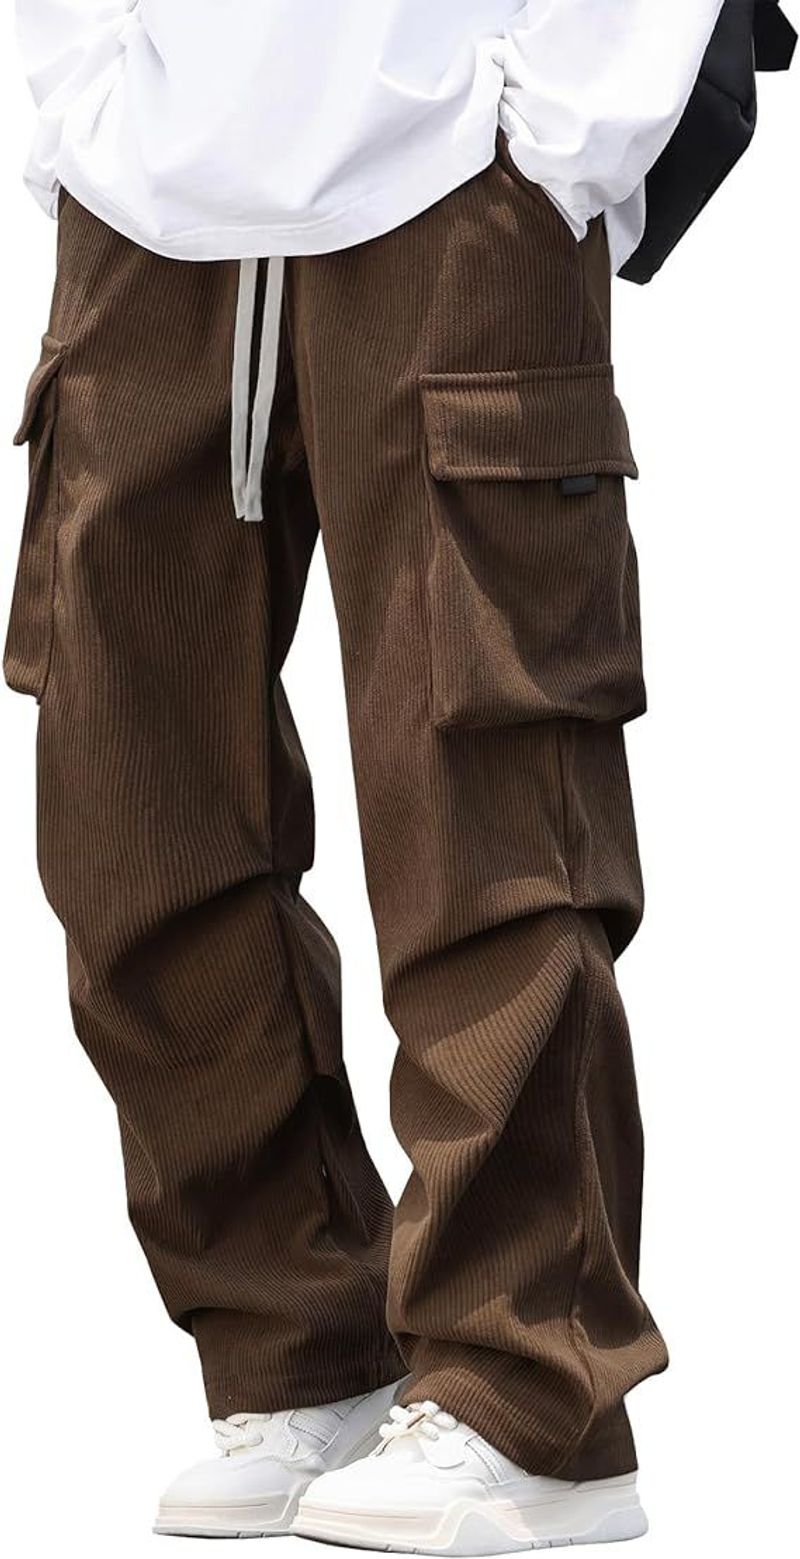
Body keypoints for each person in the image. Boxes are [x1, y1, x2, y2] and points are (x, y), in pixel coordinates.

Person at [6, 2, 726, 1551]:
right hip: (147, 197)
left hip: (450, 164)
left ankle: (529, 1401)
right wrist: (74, 99)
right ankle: (300, 1349)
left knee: (485, 801)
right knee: (131, 805)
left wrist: (567, 128)